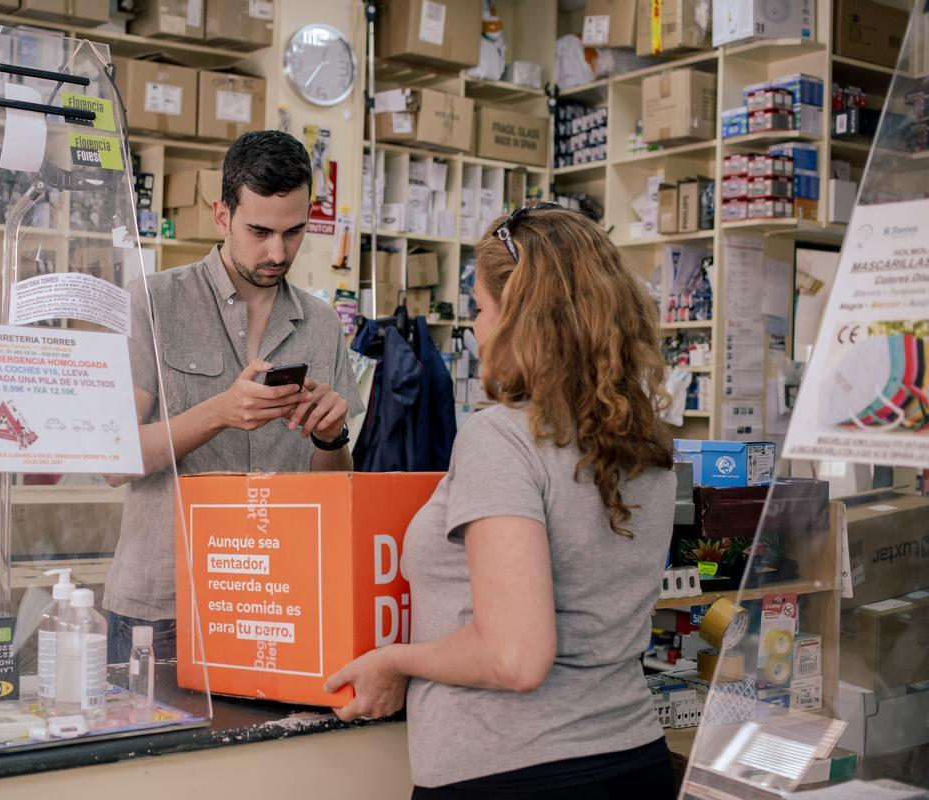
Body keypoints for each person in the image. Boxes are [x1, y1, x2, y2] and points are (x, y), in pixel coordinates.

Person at [325, 204, 677, 798]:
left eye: (483, 311)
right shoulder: (643, 443)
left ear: (521, 320)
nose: (476, 331)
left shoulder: (504, 439)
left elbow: (515, 657)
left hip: (514, 771)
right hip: (633, 758)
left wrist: (395, 660)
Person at [105, 130, 364, 662]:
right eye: (260, 231)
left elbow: (333, 484)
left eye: (294, 233)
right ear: (222, 216)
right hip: (164, 602)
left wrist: (330, 436)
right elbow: (113, 458)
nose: (277, 252)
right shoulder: (153, 303)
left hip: (277, 595)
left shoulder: (320, 324)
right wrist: (220, 412)